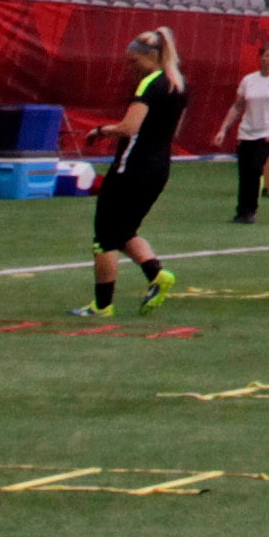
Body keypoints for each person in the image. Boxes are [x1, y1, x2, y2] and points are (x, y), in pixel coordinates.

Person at [82, 27, 181, 320]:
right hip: (159, 167)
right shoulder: (177, 83)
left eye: (134, 61)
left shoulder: (150, 84)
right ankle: (158, 274)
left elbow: (130, 127)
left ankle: (102, 305)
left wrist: (101, 131)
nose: (130, 67)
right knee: (125, 231)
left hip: (132, 167)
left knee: (104, 238)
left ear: (150, 58)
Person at [228, 41, 269, 224]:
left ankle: (250, 210)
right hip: (247, 131)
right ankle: (241, 210)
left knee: (256, 168)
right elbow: (237, 105)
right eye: (267, 56)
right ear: (260, 57)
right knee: (245, 171)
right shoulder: (249, 80)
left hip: (267, 132)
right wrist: (223, 129)